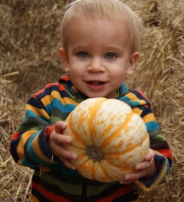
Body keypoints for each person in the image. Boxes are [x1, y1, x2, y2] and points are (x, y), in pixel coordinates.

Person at [9, 0, 172, 201]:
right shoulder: (50, 100)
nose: (95, 66)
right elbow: (17, 149)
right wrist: (48, 143)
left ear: (130, 63)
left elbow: (163, 160)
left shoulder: (137, 108)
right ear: (66, 59)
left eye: (110, 55)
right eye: (83, 54)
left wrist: (149, 166)